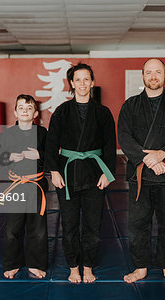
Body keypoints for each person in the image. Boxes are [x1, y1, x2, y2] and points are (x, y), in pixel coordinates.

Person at [118, 58, 165, 285]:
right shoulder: (130, 105)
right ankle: (140, 267)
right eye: (148, 72)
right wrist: (148, 159)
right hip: (140, 174)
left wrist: (162, 155)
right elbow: (124, 137)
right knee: (138, 223)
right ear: (142, 76)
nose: (153, 76)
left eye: (157, 72)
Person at [45, 62, 116, 283]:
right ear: (72, 84)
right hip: (67, 174)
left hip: (95, 173)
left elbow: (110, 145)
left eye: (87, 79)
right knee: (69, 224)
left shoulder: (103, 112)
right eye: (78, 79)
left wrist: (108, 173)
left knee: (93, 225)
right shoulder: (62, 111)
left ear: (92, 82)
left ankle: (88, 267)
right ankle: (73, 266)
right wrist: (54, 171)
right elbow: (51, 143)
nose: (83, 83)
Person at [2, 94, 49, 280]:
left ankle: (36, 264)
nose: (25, 110)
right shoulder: (7, 134)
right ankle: (12, 264)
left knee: (37, 228)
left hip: (36, 184)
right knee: (13, 227)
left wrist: (39, 154)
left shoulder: (43, 132)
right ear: (15, 111)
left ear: (35, 113)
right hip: (15, 184)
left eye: (29, 108)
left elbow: (53, 156)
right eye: (21, 107)